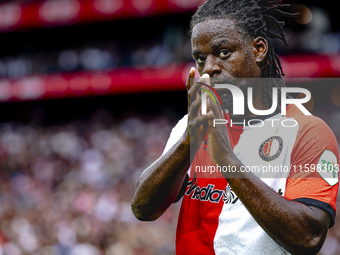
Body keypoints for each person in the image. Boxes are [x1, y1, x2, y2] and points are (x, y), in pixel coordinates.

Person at [131, 0, 339, 254]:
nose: (209, 68)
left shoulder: (308, 132)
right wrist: (188, 141)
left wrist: (225, 156)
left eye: (223, 53)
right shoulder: (191, 125)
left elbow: (308, 238)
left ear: (259, 49)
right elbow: (143, 209)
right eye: (200, 58)